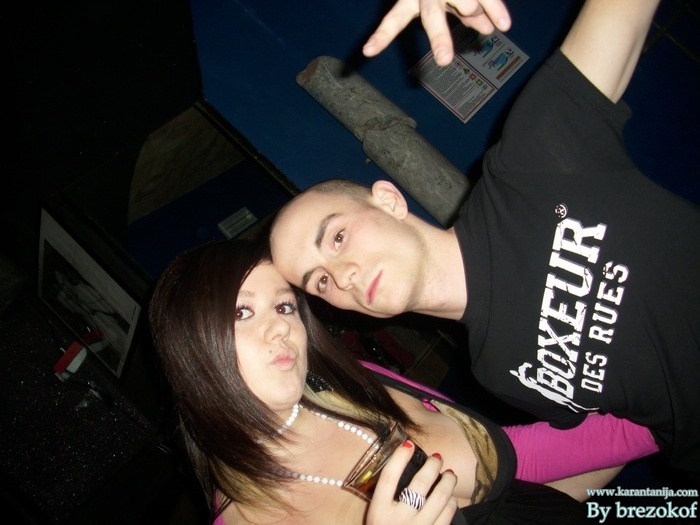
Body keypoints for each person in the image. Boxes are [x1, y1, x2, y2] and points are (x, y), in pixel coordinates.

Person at [269, 0, 700, 478]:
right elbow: (632, 425)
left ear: (388, 200)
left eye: (337, 237)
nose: (342, 276)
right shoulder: (498, 372)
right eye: (319, 282)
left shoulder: (532, 162)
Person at [148, 239, 656, 524]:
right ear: (191, 348)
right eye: (242, 312)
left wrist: (661, 413)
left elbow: (511, 467)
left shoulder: (348, 386)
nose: (280, 326)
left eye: (284, 305)